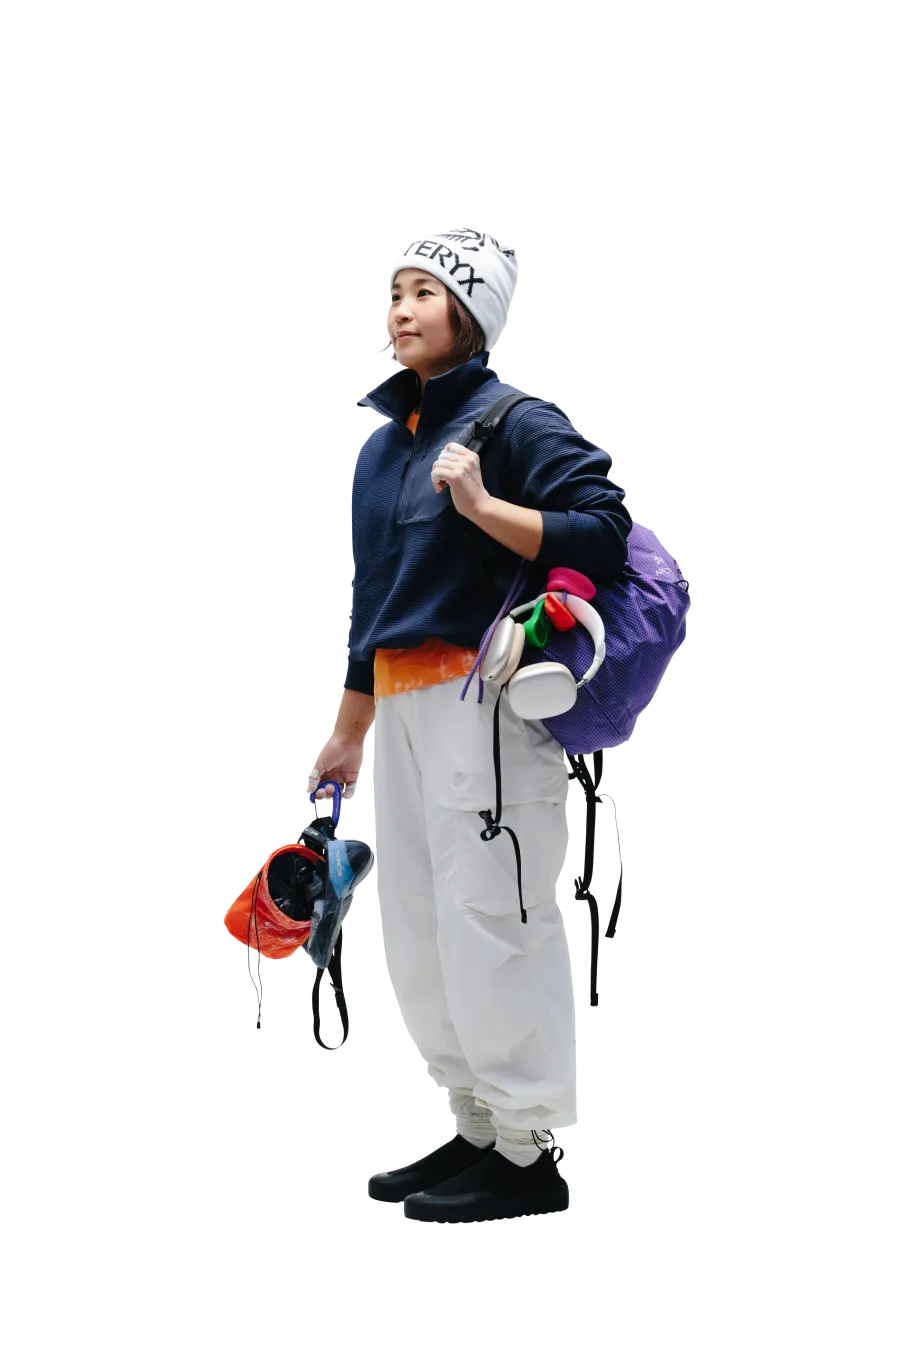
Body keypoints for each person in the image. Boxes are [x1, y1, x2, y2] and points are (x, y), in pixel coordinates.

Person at [309, 227, 632, 1222]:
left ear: (472, 312)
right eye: (395, 293)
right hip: (403, 708)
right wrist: (348, 730)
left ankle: (531, 1152)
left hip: (484, 706)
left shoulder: (513, 420)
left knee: (494, 919)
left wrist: (484, 505)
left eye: (425, 292)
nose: (401, 310)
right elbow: (373, 599)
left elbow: (604, 527)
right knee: (419, 929)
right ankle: (478, 1126)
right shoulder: (382, 445)